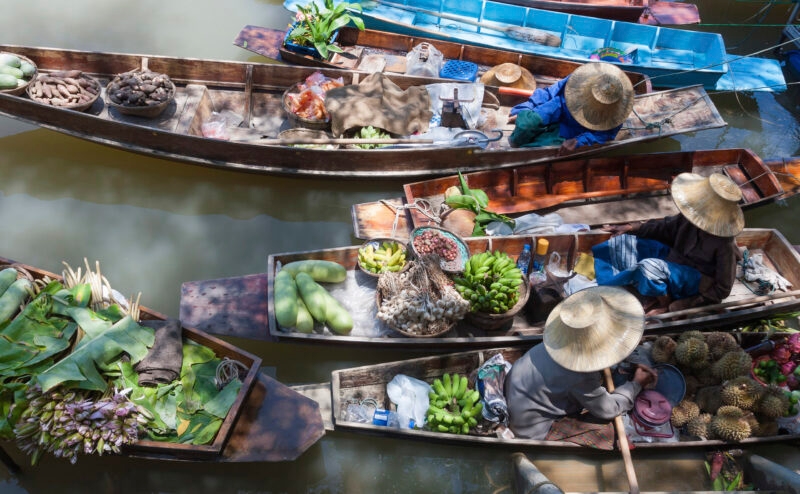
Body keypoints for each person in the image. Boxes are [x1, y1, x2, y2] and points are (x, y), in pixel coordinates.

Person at [505, 286, 657, 441]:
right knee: (608, 434)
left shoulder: (557, 343)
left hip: (518, 399)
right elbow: (608, 409)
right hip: (532, 430)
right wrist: (636, 384)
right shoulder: (578, 373)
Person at [597, 172, 744, 313]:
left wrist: (683, 305)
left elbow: (723, 289)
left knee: (648, 268)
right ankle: (648, 287)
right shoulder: (690, 218)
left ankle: (664, 302)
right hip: (676, 259)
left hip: (695, 279)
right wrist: (632, 227)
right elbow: (663, 227)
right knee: (624, 244)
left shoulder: (725, 244)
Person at [507, 62, 634, 155]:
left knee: (535, 149)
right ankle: (514, 141)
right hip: (557, 107)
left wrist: (579, 141)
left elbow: (604, 136)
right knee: (527, 123)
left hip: (572, 131)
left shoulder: (616, 111)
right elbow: (550, 92)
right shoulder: (582, 77)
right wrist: (526, 107)